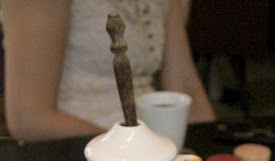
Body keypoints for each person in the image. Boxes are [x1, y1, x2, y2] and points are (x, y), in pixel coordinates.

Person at [1, 0, 215, 142]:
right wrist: (130, 149)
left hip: (151, 147)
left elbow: (186, 89)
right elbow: (29, 119)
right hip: (75, 153)